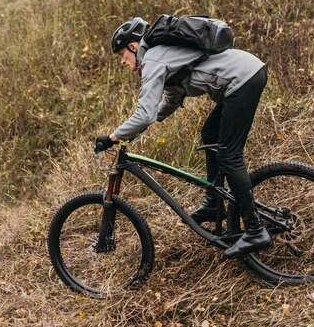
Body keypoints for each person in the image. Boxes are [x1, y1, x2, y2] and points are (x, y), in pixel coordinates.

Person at [95, 17, 272, 258]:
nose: (123, 62)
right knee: (209, 134)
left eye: (122, 55)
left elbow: (144, 114)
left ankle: (254, 229)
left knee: (229, 156)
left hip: (242, 80)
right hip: (246, 73)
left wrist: (114, 136)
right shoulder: (163, 54)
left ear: (133, 47)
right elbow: (169, 100)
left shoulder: (153, 59)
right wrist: (134, 130)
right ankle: (213, 204)